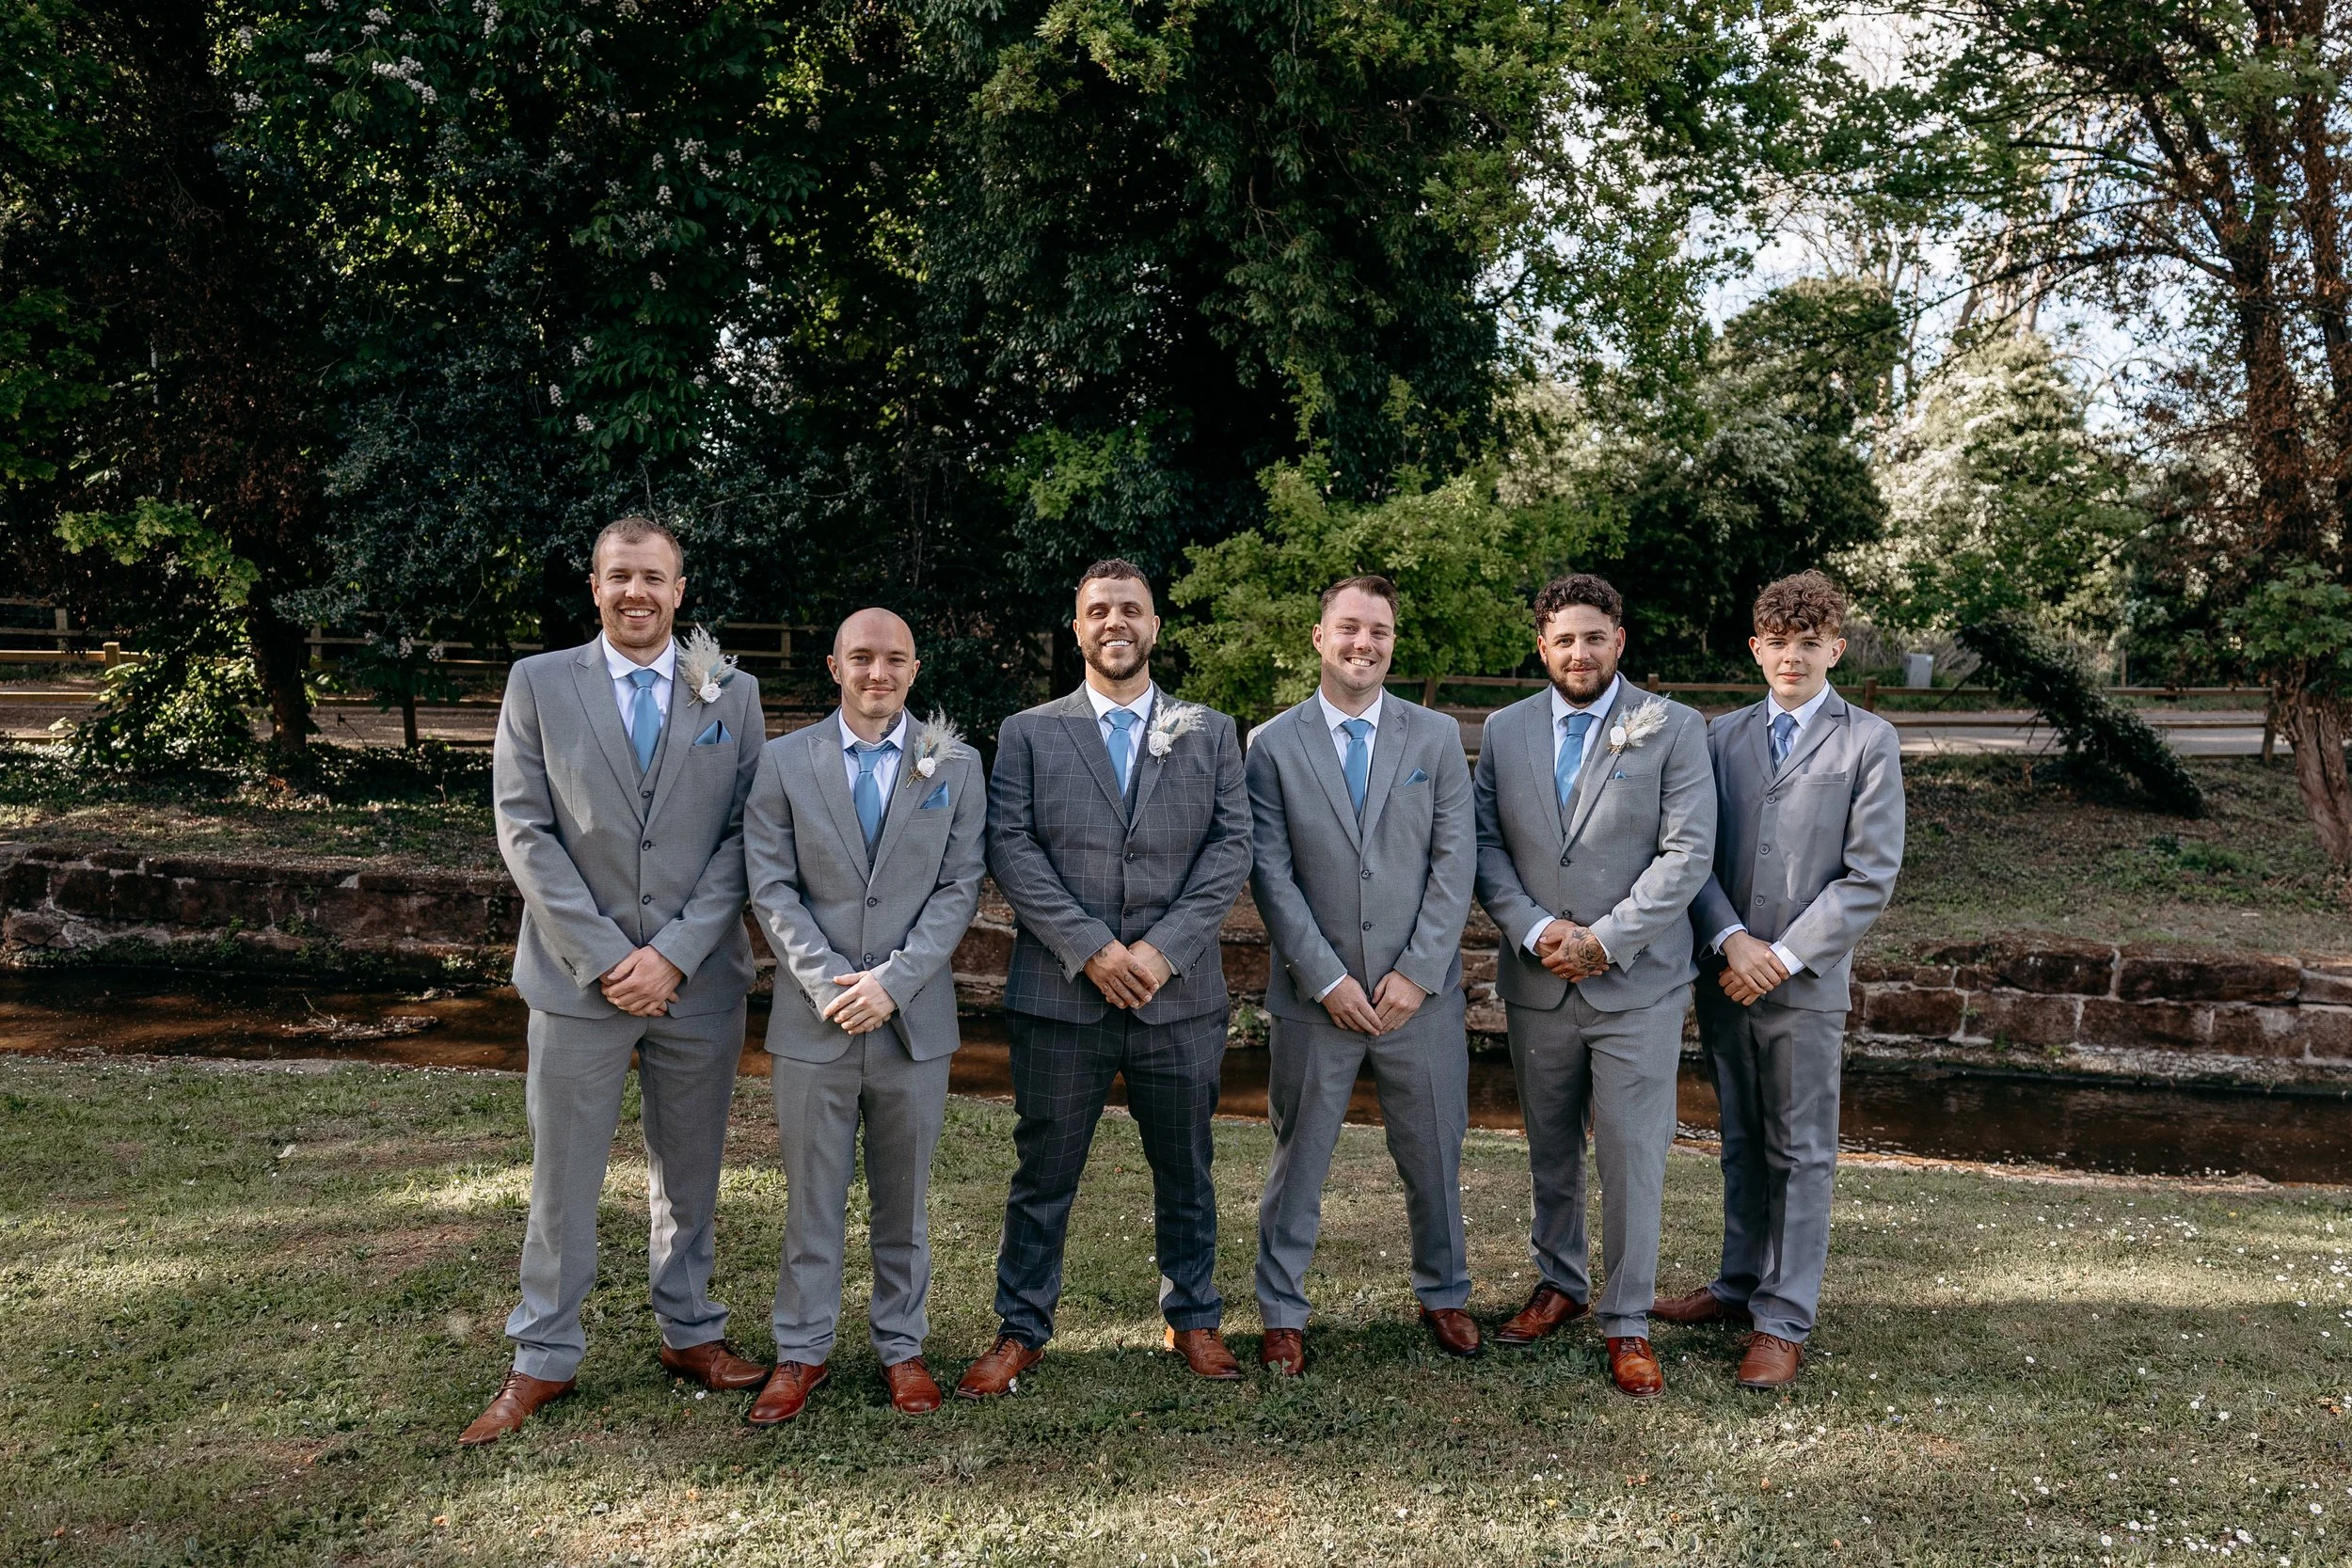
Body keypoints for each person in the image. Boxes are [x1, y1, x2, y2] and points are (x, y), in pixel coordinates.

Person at [462, 515, 769, 1446]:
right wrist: (607, 957)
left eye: (654, 578)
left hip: (697, 978)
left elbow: (743, 838)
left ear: (681, 590)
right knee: (563, 1176)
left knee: (690, 1171)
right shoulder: (538, 683)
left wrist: (672, 951)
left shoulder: (735, 694)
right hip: (573, 980)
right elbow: (524, 828)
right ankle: (543, 1353)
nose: (636, 592)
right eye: (618, 576)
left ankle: (690, 1330)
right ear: (594, 586)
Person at [957, 560, 1253, 1396]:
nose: (1115, 622)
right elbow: (1009, 845)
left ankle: (1193, 1317)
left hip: (1179, 996)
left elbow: (1232, 847)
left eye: (1132, 609)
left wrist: (1162, 950)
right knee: (1043, 1170)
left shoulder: (1210, 729)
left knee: (1187, 1166)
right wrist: (1090, 946)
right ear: (1077, 626)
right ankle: (1021, 1328)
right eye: (1098, 611)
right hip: (1061, 994)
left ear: (1155, 625)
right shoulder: (1027, 732)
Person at [1653, 571, 1904, 1390]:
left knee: (1801, 1150)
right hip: (1725, 974)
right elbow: (1691, 852)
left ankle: (1783, 1318)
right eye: (1777, 643)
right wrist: (1730, 940)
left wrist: (1783, 956)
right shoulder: (1714, 738)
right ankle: (1736, 1284)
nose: (1791, 657)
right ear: (1754, 648)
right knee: (1739, 1139)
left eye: (1808, 644)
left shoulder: (1868, 741)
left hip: (1804, 984)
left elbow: (1869, 875)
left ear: (1835, 648)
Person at [1471, 572, 1715, 1399]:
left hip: (1636, 981)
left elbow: (1687, 853)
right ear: (1542, 646)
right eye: (1564, 639)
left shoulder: (1676, 729)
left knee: (1633, 1155)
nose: (1580, 652)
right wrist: (1538, 930)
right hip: (1537, 979)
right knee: (1550, 1150)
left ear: (1620, 641)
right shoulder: (1502, 732)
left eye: (1595, 637)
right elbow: (1483, 845)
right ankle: (1561, 1280)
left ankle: (1629, 1319)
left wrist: (1605, 941)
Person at [739, 609, 987, 1422]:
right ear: (834, 665)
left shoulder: (955, 764)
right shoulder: (782, 762)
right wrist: (829, 984)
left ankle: (901, 1347)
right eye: (861, 658)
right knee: (812, 1195)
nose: (877, 673)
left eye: (894, 660)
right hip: (815, 1022)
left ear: (914, 670)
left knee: (904, 1198)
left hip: (914, 1023)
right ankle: (801, 1351)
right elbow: (770, 886)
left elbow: (960, 889)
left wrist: (895, 982)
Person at [1246, 576, 1480, 1372]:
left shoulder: (1436, 738)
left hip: (1421, 998)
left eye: (1379, 631)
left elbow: (1456, 861)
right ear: (1319, 637)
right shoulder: (1271, 743)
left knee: (1434, 1156)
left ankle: (1445, 1292)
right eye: (1349, 628)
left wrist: (1417, 972)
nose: (1364, 644)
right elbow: (1270, 873)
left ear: (1392, 642)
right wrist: (1325, 977)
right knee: (1299, 1157)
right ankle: (1282, 1308)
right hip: (1318, 998)